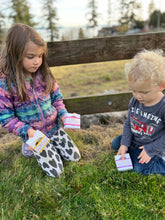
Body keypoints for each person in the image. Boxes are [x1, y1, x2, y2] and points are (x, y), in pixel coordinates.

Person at [0, 23, 81, 178]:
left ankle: (52, 144)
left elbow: (57, 99)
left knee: (74, 157)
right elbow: (6, 117)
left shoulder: (44, 74)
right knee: (56, 171)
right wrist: (27, 132)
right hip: (35, 135)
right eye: (31, 57)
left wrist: (64, 115)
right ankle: (28, 147)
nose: (37, 61)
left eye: (40, 56)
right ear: (15, 55)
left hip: (55, 128)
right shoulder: (6, 84)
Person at [112, 49, 165, 175]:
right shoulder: (135, 101)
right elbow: (128, 122)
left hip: (156, 146)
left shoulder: (162, 106)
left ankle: (160, 162)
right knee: (116, 143)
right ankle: (133, 150)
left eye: (144, 92)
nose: (138, 96)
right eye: (134, 91)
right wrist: (125, 144)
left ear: (161, 86)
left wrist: (150, 149)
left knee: (139, 169)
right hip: (138, 140)